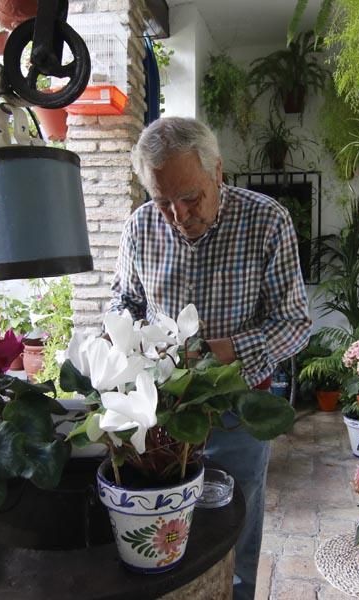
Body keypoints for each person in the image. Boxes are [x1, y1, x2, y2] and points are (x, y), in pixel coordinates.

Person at [108, 116, 311, 599]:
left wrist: (229, 352)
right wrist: (129, 337)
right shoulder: (140, 227)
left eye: (190, 197)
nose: (178, 215)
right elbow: (123, 301)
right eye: (163, 201)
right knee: (165, 533)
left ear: (217, 172)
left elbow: (296, 323)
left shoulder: (266, 221)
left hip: (237, 408)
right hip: (163, 411)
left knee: (235, 524)